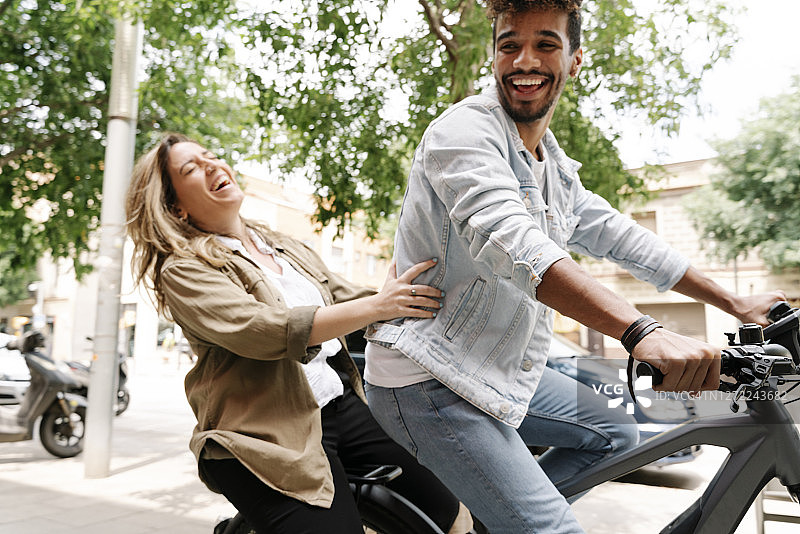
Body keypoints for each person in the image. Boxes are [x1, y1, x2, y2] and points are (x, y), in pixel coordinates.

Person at [362, 1, 787, 533]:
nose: (524, 61)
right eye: (509, 45)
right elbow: (515, 244)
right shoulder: (464, 132)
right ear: (494, 56)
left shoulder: (553, 167)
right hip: (429, 377)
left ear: (575, 59)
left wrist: (733, 300)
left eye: (546, 44)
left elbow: (621, 236)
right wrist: (640, 330)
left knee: (618, 433)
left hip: (496, 364)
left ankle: (503, 518)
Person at [124, 133, 472, 533]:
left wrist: (431, 291)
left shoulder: (282, 247)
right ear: (176, 208)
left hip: (340, 405)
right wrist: (380, 305)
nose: (212, 166)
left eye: (211, 156)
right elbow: (264, 330)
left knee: (450, 510)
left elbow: (349, 299)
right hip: (262, 438)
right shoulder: (183, 270)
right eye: (191, 169)